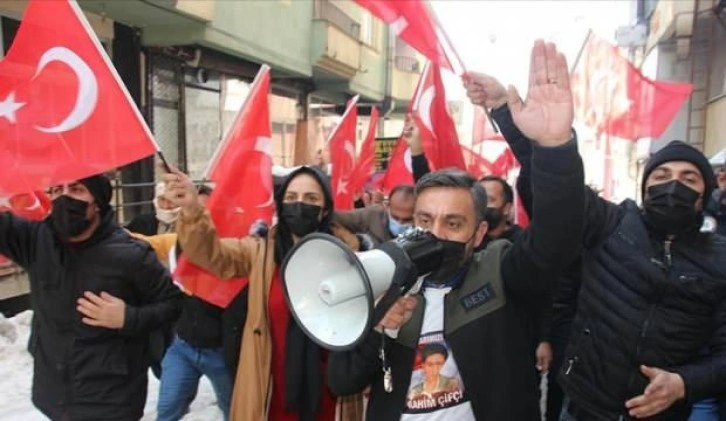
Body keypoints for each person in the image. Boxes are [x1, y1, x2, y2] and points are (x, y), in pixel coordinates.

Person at [327, 40, 585, 421]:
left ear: (479, 234)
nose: (435, 234)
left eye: (453, 223)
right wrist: (377, 328)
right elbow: (342, 380)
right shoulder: (388, 281)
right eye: (425, 220)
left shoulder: (502, 271)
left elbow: (557, 234)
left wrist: (552, 147)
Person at [470, 68, 726, 419]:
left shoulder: (720, 259)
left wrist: (685, 382)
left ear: (705, 194)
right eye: (662, 176)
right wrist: (542, 134)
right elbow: (561, 191)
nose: (673, 185)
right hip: (585, 407)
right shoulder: (613, 223)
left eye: (689, 178)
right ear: (645, 187)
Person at [163, 165, 365, 421]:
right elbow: (211, 254)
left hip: (330, 389)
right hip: (270, 388)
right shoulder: (260, 252)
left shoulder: (348, 258)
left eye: (311, 199)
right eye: (291, 198)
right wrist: (192, 210)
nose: (300, 205)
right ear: (281, 204)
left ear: (325, 209)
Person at [0, 174, 183, 420]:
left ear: (97, 201)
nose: (64, 197)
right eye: (56, 190)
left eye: (76, 189)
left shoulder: (131, 255)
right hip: (53, 395)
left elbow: (174, 304)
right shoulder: (37, 241)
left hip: (110, 400)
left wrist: (128, 318)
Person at [465, 70, 577, 421]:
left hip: (520, 351)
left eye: (490, 198)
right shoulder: (458, 250)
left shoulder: (524, 249)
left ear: (509, 206)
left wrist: (548, 140)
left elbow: (551, 292)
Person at [334, 184, 415, 246]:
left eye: (407, 220)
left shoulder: (424, 229)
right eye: (395, 217)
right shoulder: (373, 215)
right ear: (387, 206)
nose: (400, 223)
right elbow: (337, 217)